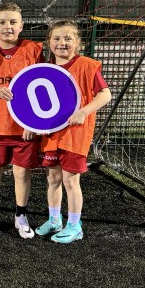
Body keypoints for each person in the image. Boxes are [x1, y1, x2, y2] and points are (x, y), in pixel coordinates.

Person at [35, 20, 111, 244]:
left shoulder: (87, 66)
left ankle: (75, 225)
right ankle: (55, 220)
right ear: (49, 42)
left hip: (75, 135)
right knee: (53, 179)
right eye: (57, 38)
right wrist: (31, 124)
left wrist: (84, 112)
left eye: (68, 38)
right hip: (51, 134)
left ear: (77, 43)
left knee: (70, 180)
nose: (62, 43)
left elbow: (105, 94)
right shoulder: (45, 69)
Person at [0, 2, 44, 239]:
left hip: (25, 128)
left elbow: (45, 88)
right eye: (2, 22)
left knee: (22, 173)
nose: (8, 27)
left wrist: (34, 123)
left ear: (21, 25)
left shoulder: (35, 50)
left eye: (13, 22)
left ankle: (20, 215)